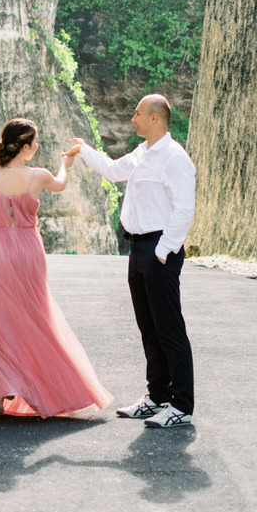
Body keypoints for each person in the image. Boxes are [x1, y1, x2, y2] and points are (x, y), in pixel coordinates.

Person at [0, 118, 111, 420]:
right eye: (35, 143)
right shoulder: (39, 176)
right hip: (28, 251)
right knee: (33, 318)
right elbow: (61, 183)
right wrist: (66, 164)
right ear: (24, 147)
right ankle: (35, 388)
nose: (38, 147)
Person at [70, 93, 196, 429]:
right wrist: (83, 149)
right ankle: (158, 397)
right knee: (148, 328)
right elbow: (112, 171)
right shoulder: (143, 153)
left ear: (155, 117)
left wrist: (163, 249)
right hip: (138, 249)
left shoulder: (174, 158)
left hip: (158, 250)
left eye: (137, 113)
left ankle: (181, 404)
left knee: (169, 329)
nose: (132, 118)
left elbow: (184, 209)